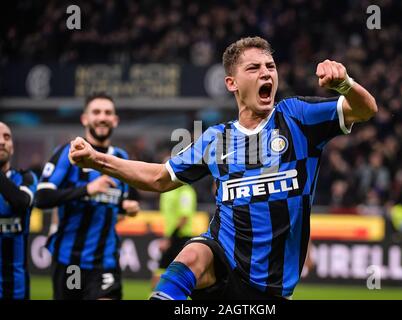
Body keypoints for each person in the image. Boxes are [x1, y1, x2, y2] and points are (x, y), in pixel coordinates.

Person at [68, 37, 377, 300]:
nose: (265, 73)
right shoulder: (216, 138)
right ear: (232, 82)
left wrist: (346, 85)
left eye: (270, 66)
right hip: (222, 258)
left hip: (271, 286)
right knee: (191, 255)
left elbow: (365, 110)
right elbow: (160, 178)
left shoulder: (297, 117)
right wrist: (97, 159)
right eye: (254, 68)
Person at [35, 92, 140, 300]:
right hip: (70, 261)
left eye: (108, 112)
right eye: (96, 112)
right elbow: (42, 198)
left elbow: (113, 204)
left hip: (106, 261)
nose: (102, 117)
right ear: (85, 118)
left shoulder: (121, 157)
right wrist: (87, 189)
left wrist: (125, 207)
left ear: (115, 120)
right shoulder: (68, 153)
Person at [0, 122, 38, 299]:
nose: (1, 142)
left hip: (15, 288)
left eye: (6, 137)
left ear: (12, 147)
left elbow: (20, 202)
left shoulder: (26, 178)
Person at [151, 173, 197, 288]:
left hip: (180, 238)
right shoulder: (169, 191)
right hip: (172, 237)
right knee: (164, 272)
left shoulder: (185, 192)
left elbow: (184, 218)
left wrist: (169, 239)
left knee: (164, 272)